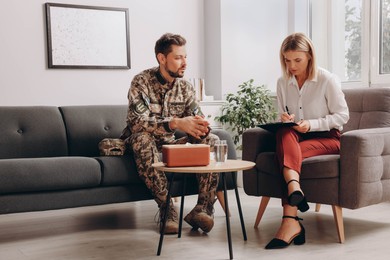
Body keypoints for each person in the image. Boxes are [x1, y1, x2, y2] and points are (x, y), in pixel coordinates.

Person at [120, 33, 220, 235]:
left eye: (185, 57)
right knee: (142, 138)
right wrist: (175, 123)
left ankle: (203, 208)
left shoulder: (185, 87)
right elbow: (137, 123)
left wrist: (200, 127)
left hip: (170, 146)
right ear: (162, 58)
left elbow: (196, 118)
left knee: (213, 140)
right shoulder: (141, 82)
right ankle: (167, 210)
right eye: (178, 58)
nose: (184, 63)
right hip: (143, 144)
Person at [265, 32, 349, 249]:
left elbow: (342, 116)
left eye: (297, 60)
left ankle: (290, 221)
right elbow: (283, 113)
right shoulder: (283, 82)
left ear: (310, 56)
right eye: (287, 60)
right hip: (296, 137)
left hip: (328, 138)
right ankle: (294, 192)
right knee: (284, 133)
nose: (291, 65)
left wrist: (311, 124)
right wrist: (285, 118)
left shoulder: (327, 79)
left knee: (285, 152)